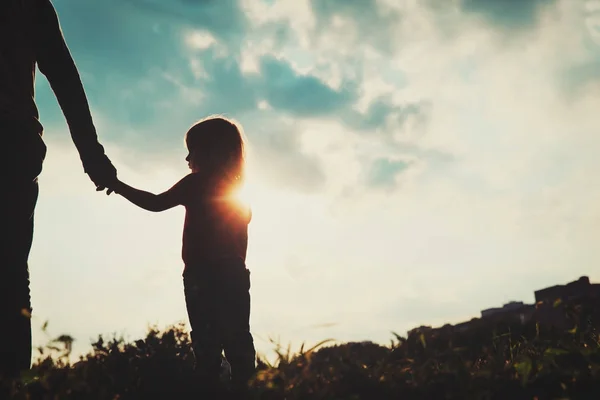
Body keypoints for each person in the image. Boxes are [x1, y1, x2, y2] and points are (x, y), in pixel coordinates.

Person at [0, 0, 117, 381]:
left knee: (11, 274)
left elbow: (64, 76)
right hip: (15, 145)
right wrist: (91, 153)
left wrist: (92, 154)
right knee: (12, 274)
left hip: (13, 146)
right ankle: (14, 382)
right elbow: (64, 77)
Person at [108, 116, 256, 394]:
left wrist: (118, 186)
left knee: (206, 346)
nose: (187, 157)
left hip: (203, 275)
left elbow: (155, 203)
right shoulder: (239, 193)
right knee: (239, 343)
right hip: (234, 275)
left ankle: (211, 391)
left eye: (193, 149)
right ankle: (248, 391)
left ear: (212, 152)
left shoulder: (196, 184)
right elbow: (241, 246)